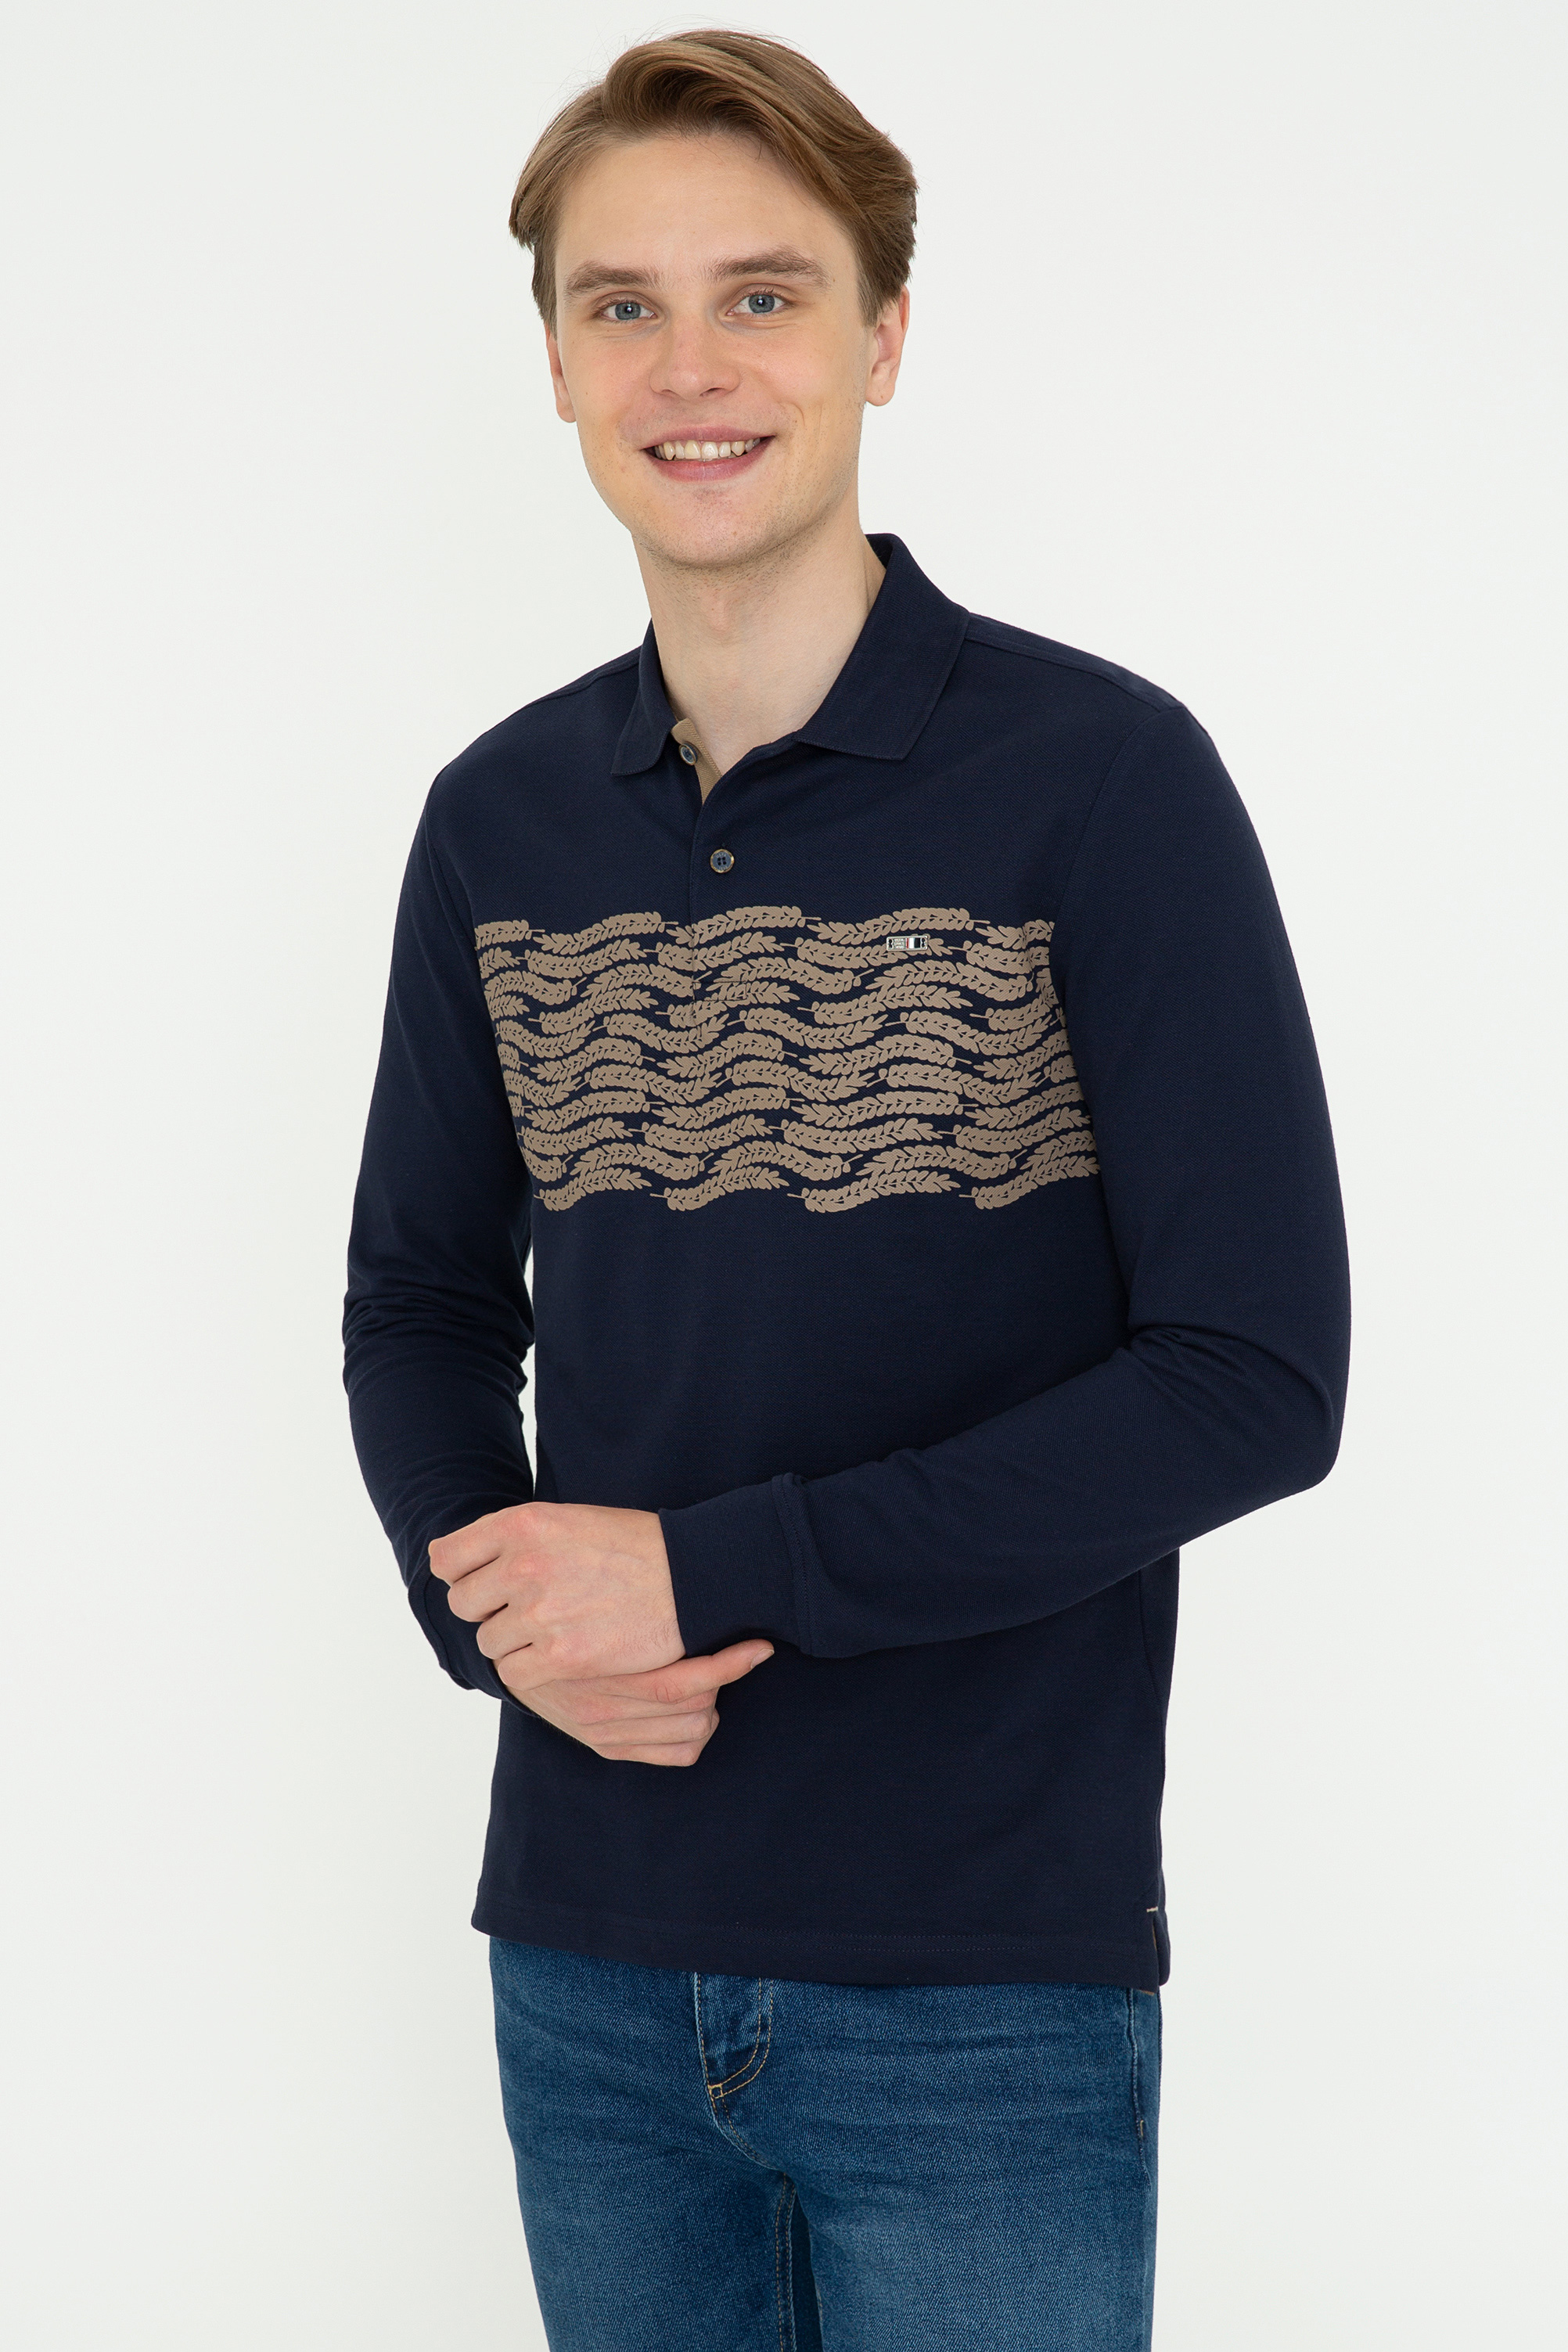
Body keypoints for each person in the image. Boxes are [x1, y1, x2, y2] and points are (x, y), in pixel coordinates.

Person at [342, 29, 1350, 2351]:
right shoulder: (499, 818)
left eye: (764, 295)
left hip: (976, 1974)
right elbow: (420, 1300)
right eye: (621, 305)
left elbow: (1252, 1378)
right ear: (557, 365)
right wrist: (499, 1619)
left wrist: (701, 1576)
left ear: (882, 336)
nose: (690, 367)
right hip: (586, 1955)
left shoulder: (1103, 779)